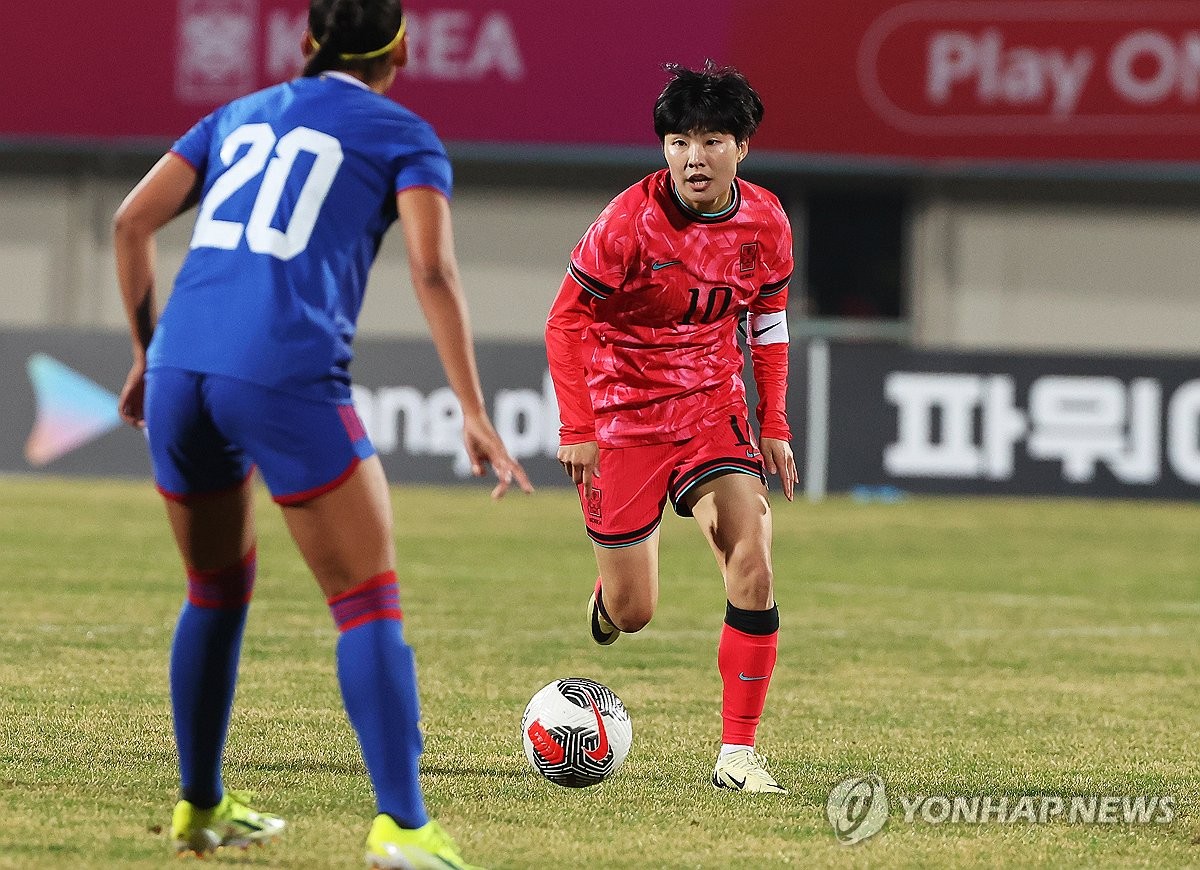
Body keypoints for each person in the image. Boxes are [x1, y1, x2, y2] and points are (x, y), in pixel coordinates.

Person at [112, 0, 532, 866]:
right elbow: (431, 267)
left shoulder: (235, 115)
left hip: (182, 368)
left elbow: (130, 222)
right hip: (284, 370)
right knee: (365, 599)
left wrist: (148, 352)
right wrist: (475, 409)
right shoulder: (403, 133)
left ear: (307, 45)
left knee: (214, 592)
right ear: (402, 50)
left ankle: (200, 808)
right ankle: (405, 828)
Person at [545, 61, 797, 794]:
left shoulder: (767, 221)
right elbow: (565, 319)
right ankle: (607, 601)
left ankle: (736, 755)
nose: (694, 156)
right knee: (635, 611)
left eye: (712, 139)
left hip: (710, 410)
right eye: (679, 140)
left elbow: (768, 320)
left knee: (752, 560)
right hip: (622, 416)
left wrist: (773, 420)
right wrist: (579, 425)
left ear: (741, 148)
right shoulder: (630, 221)